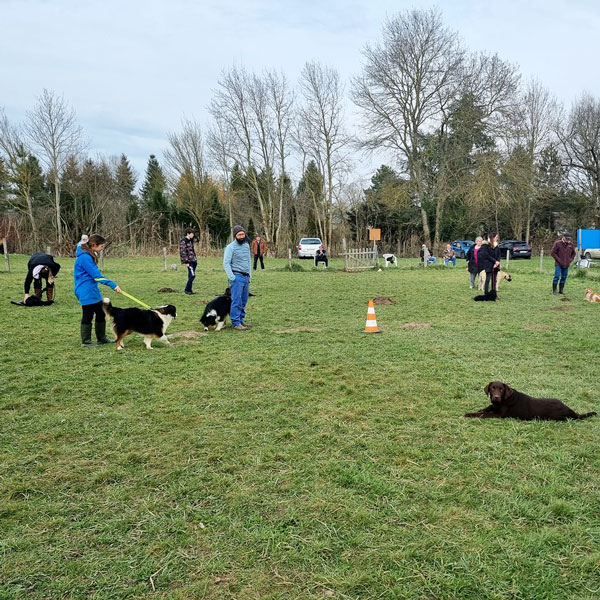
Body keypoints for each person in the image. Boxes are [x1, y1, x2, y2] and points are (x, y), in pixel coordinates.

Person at [73, 234, 122, 347]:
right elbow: (97, 276)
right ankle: (86, 341)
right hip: (85, 290)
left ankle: (101, 338)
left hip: (92, 289)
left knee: (101, 313)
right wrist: (113, 285)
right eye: (101, 246)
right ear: (94, 245)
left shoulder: (90, 254)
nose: (102, 249)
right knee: (88, 315)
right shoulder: (84, 257)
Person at [223, 225, 252, 331]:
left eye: (242, 234)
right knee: (236, 300)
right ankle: (236, 322)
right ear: (235, 236)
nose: (241, 236)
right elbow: (226, 263)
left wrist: (249, 275)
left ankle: (241, 320)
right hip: (236, 276)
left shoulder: (246, 246)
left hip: (245, 277)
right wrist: (232, 277)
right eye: (239, 234)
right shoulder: (230, 247)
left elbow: (248, 261)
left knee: (244, 300)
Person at [477, 233, 501, 297]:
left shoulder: (497, 245)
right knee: (488, 279)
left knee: (494, 280)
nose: (497, 238)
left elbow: (499, 254)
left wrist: (497, 262)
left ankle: (494, 294)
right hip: (489, 264)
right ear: (492, 237)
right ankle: (486, 293)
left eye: (497, 237)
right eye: (496, 237)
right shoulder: (485, 245)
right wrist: (495, 261)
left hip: (496, 265)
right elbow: (486, 255)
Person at [179, 228, 197, 295]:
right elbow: (183, 252)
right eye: (192, 234)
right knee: (192, 275)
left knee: (190, 276)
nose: (193, 235)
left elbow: (192, 250)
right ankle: (187, 289)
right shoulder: (184, 241)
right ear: (188, 234)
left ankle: (189, 290)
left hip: (194, 260)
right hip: (189, 261)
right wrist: (186, 262)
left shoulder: (190, 241)